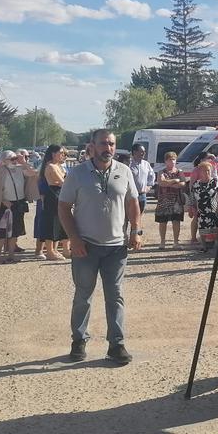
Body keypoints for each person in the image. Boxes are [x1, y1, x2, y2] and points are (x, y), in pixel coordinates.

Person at [58, 128, 142, 365]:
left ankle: (117, 344)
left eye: (112, 144)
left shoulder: (123, 171)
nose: (109, 148)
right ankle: (79, 340)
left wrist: (136, 230)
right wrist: (74, 238)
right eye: (104, 144)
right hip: (86, 246)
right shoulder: (77, 174)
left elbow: (132, 202)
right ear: (92, 147)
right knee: (83, 295)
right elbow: (63, 207)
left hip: (116, 247)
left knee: (115, 296)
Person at [0, 149, 39, 262]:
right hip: (4, 203)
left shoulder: (20, 169)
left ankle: (11, 254)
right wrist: (2, 200)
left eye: (16, 158)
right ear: (4, 160)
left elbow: (33, 173)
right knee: (0, 230)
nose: (15, 161)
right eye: (12, 159)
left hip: (18, 203)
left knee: (15, 230)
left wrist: (23, 162)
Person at [36, 145, 67, 261]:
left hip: (59, 194)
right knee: (51, 223)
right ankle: (49, 251)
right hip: (52, 195)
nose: (62, 155)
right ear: (53, 154)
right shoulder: (50, 166)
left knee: (58, 223)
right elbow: (62, 181)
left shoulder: (58, 166)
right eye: (60, 153)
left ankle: (54, 249)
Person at [153, 151, 186, 249]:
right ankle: (162, 242)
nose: (172, 162)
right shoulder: (161, 172)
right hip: (164, 200)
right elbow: (161, 183)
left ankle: (176, 242)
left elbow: (183, 183)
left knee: (176, 221)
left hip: (177, 201)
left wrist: (169, 182)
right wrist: (175, 181)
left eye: (174, 159)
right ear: (165, 161)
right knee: (163, 222)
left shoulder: (179, 171)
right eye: (170, 160)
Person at [191, 154, 218, 251]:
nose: (206, 172)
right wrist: (192, 208)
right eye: (204, 170)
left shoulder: (216, 182)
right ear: (200, 172)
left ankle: (217, 245)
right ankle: (203, 245)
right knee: (202, 227)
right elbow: (193, 197)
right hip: (201, 210)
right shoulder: (196, 184)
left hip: (214, 209)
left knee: (216, 227)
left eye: (208, 170)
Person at [128, 144, 155, 213]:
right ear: (134, 152)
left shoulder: (146, 164)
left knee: (139, 217)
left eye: (144, 151)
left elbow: (151, 176)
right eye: (142, 151)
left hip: (142, 195)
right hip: (130, 195)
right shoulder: (129, 164)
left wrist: (149, 186)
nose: (144, 153)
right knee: (128, 216)